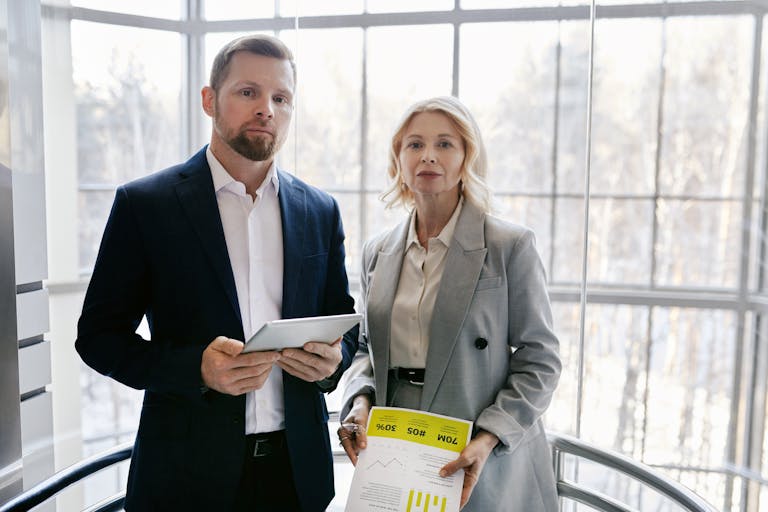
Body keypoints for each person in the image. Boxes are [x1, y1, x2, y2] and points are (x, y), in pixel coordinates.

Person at [76, 34, 358, 512]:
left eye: (281, 98)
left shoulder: (320, 210)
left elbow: (343, 323)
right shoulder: (145, 205)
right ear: (210, 100)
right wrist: (197, 370)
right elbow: (98, 338)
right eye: (248, 92)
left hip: (298, 476)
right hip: (185, 478)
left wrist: (334, 364)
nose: (266, 108)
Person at [339, 96, 561, 511]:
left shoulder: (508, 245)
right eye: (414, 144)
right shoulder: (377, 251)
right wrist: (360, 401)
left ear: (466, 158)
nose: (428, 156)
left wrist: (489, 436)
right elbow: (366, 349)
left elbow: (541, 360)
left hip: (481, 446)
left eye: (445, 144)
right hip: (398, 446)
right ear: (398, 159)